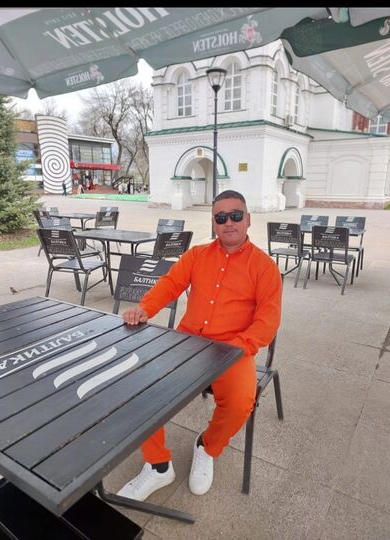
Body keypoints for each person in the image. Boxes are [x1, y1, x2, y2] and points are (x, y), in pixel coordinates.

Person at [119, 190, 282, 502]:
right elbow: (170, 284)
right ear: (214, 223)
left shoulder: (264, 267)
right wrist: (145, 309)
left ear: (248, 220)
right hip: (187, 342)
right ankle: (158, 465)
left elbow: (268, 320)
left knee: (240, 402)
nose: (228, 222)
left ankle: (207, 447)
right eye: (221, 217)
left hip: (233, 349)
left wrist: (239, 347)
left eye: (236, 215)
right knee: (141, 382)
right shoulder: (196, 256)